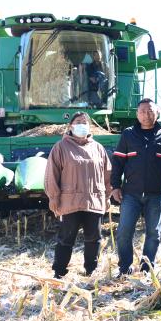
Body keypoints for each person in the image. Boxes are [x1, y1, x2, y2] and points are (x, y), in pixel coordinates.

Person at [111, 98, 161, 275]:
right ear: (137, 114)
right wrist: (115, 186)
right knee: (123, 232)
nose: (146, 114)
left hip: (156, 194)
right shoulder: (128, 134)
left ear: (157, 113)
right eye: (142, 111)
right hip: (131, 194)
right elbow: (118, 162)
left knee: (153, 234)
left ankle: (146, 269)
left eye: (150, 111)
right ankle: (124, 268)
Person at [44, 112, 112, 279]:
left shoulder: (98, 148)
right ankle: (59, 271)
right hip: (70, 202)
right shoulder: (60, 147)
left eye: (85, 122)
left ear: (89, 126)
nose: (82, 124)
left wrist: (107, 196)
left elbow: (107, 174)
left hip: (93, 200)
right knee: (66, 238)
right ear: (71, 126)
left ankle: (91, 270)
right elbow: (51, 175)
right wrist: (54, 197)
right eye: (78, 122)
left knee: (94, 238)